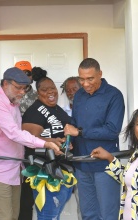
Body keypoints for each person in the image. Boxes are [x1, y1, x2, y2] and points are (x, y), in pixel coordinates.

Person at [0, 67, 62, 220]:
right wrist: (45, 144)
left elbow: (20, 131)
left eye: (24, 89)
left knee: (14, 217)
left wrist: (49, 140)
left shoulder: (13, 101)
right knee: (3, 217)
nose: (22, 93)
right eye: (18, 88)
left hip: (15, 170)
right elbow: (14, 133)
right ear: (5, 84)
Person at [64, 58, 125, 220]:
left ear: (100, 74)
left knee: (107, 214)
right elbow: (74, 125)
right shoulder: (79, 96)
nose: (85, 83)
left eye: (90, 78)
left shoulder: (114, 95)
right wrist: (69, 142)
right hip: (82, 163)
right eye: (81, 79)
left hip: (105, 165)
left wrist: (80, 132)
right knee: (88, 214)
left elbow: (112, 130)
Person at [22, 67, 75, 220]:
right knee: (48, 216)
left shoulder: (58, 109)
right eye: (45, 90)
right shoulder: (34, 111)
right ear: (38, 93)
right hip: (44, 172)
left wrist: (66, 143)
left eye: (53, 88)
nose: (50, 92)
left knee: (54, 215)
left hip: (62, 169)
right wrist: (52, 143)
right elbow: (29, 139)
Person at [15, 61, 38, 220]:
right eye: (21, 73)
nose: (25, 76)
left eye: (27, 73)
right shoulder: (9, 95)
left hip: (32, 149)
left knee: (28, 197)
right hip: (11, 149)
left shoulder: (39, 95)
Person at [60, 76, 82, 220]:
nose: (71, 93)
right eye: (68, 90)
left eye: (74, 89)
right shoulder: (61, 112)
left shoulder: (88, 110)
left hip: (83, 161)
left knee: (83, 202)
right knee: (62, 201)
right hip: (65, 163)